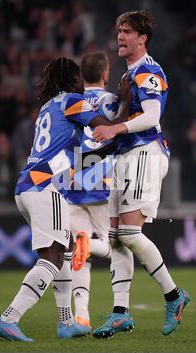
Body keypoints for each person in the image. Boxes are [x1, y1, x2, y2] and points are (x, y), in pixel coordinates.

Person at [0, 57, 130, 342]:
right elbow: (106, 126)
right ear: (71, 80)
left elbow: (81, 161)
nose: (82, 82)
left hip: (28, 185)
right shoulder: (72, 102)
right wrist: (126, 104)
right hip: (45, 187)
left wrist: (108, 153)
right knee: (52, 258)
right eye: (78, 77)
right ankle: (9, 317)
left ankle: (67, 322)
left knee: (65, 248)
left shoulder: (48, 108)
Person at [92, 10, 191, 338]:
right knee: (116, 237)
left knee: (129, 235)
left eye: (127, 31)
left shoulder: (148, 71)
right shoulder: (127, 74)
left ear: (143, 38)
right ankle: (120, 312)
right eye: (119, 30)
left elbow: (151, 115)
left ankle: (174, 295)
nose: (120, 36)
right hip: (125, 155)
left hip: (145, 153)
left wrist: (116, 127)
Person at [65, 53, 115, 330]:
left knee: (79, 257)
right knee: (118, 246)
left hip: (72, 182)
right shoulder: (112, 103)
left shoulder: (72, 103)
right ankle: (122, 310)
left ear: (82, 76)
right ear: (106, 74)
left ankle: (81, 316)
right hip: (101, 184)